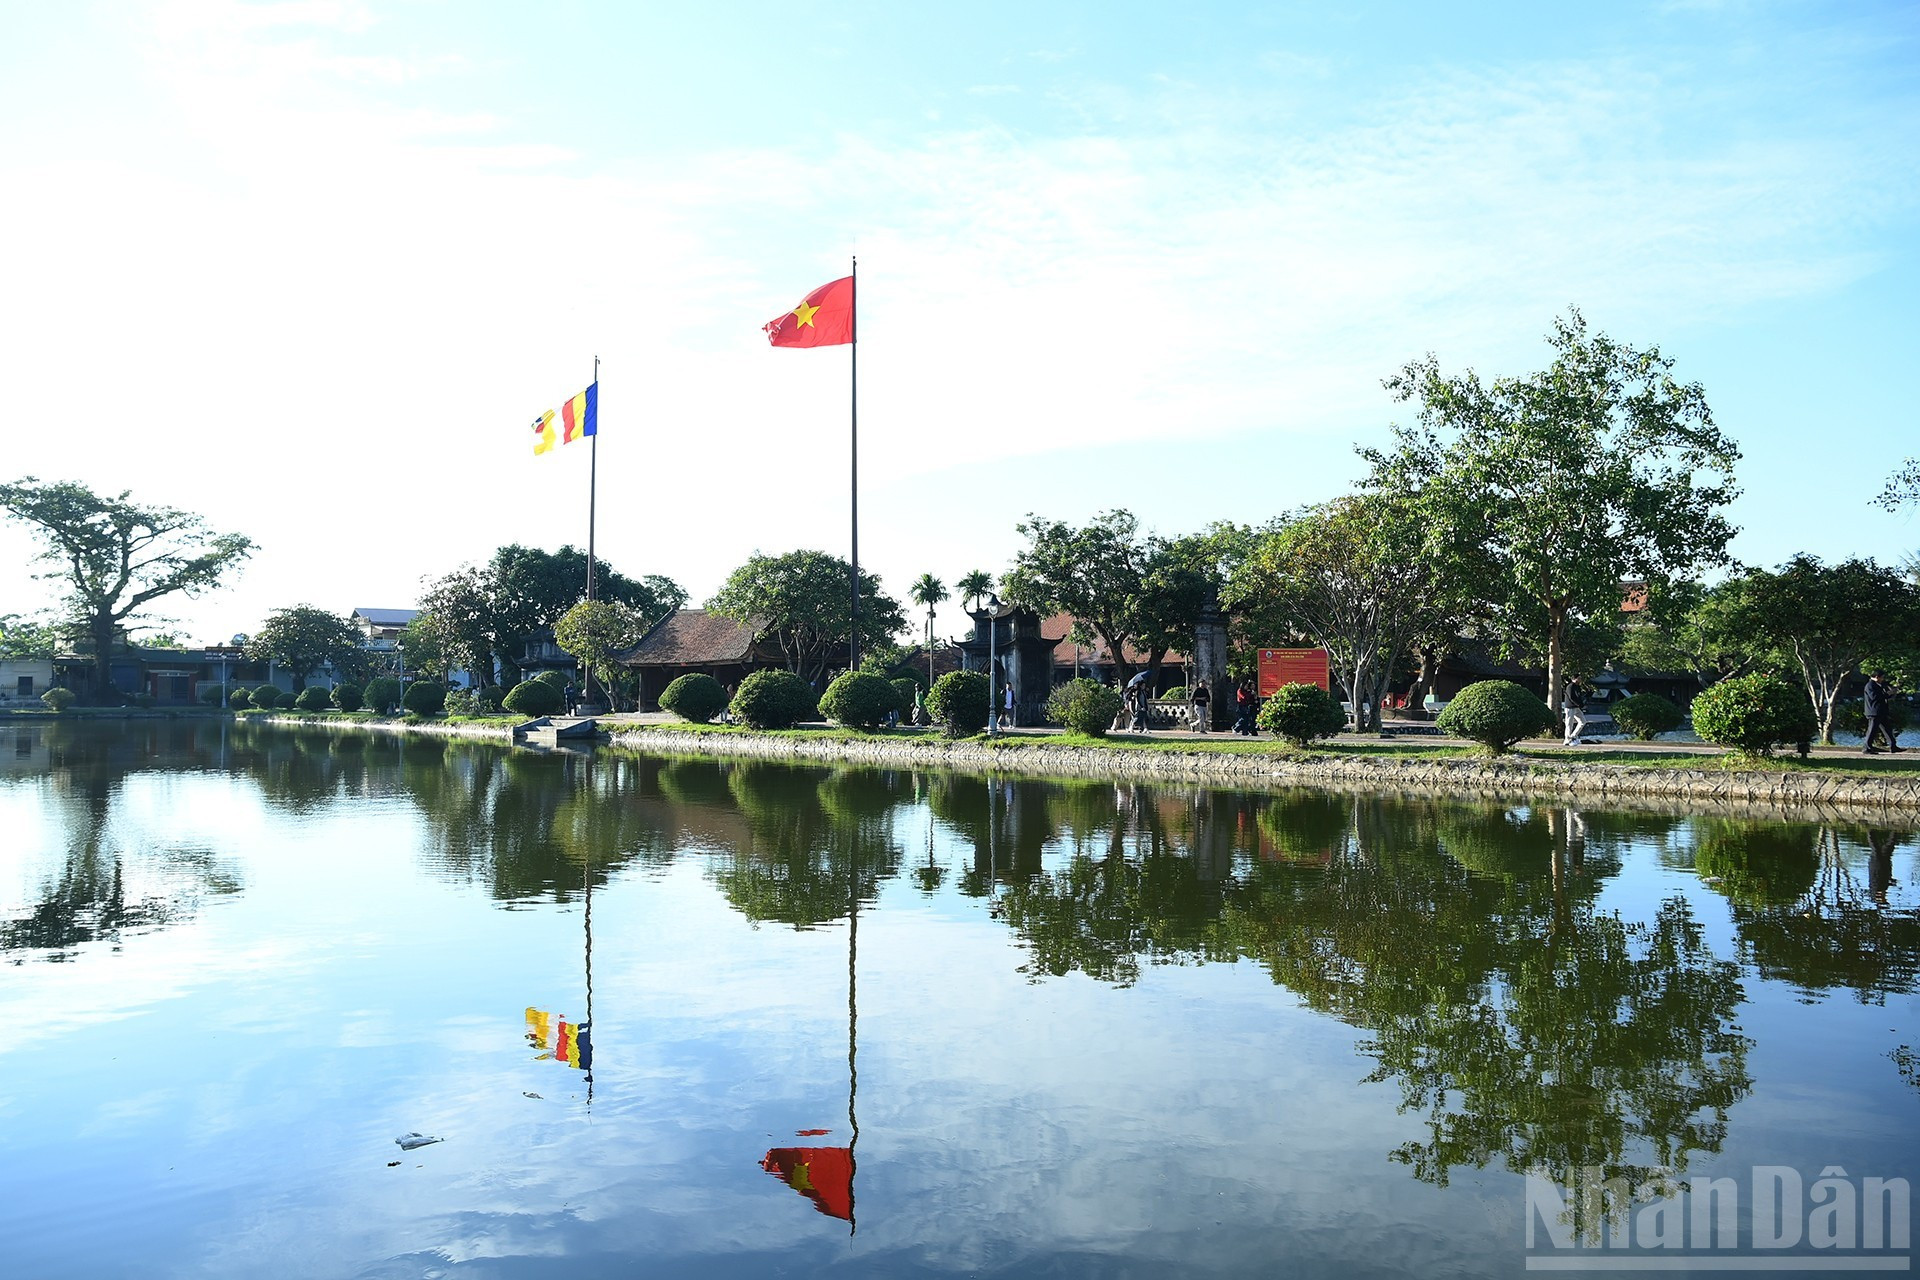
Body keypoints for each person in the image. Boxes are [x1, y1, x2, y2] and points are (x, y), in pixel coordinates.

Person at [1864, 670, 1903, 754]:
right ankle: (1867, 748)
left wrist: (1892, 693)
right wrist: (1888, 693)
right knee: (1872, 730)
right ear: (1877, 677)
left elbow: (1884, 696)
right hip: (1874, 711)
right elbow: (1875, 697)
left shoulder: (1878, 685)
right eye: (1882, 677)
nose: (1883, 679)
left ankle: (1893, 746)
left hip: (1881, 711)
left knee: (1887, 729)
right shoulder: (1870, 685)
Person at [1562, 678, 1588, 746]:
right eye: (1579, 678)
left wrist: (1581, 704)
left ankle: (1573, 736)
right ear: (1575, 679)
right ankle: (1567, 740)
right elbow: (1571, 697)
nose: (1580, 680)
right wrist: (1579, 704)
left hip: (1576, 707)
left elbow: (1578, 696)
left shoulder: (1577, 687)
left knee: (1583, 721)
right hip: (1570, 707)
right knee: (1569, 723)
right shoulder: (1570, 686)